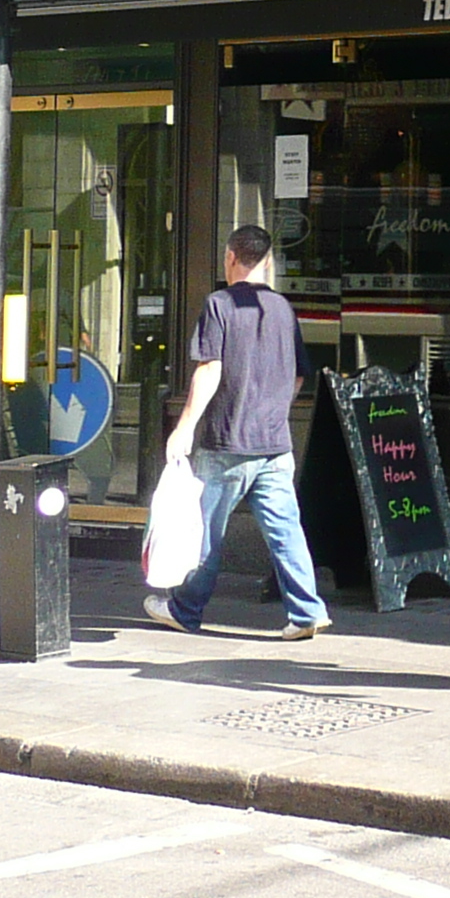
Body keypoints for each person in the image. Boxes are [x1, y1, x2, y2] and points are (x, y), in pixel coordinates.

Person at [145, 226, 332, 641]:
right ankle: (306, 612)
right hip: (274, 443)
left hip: (227, 441)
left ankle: (185, 609)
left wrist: (184, 427)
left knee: (205, 531)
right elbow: (300, 375)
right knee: (286, 531)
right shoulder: (283, 308)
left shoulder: (219, 304)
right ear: (267, 261)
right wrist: (273, 411)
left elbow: (210, 369)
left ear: (231, 257)